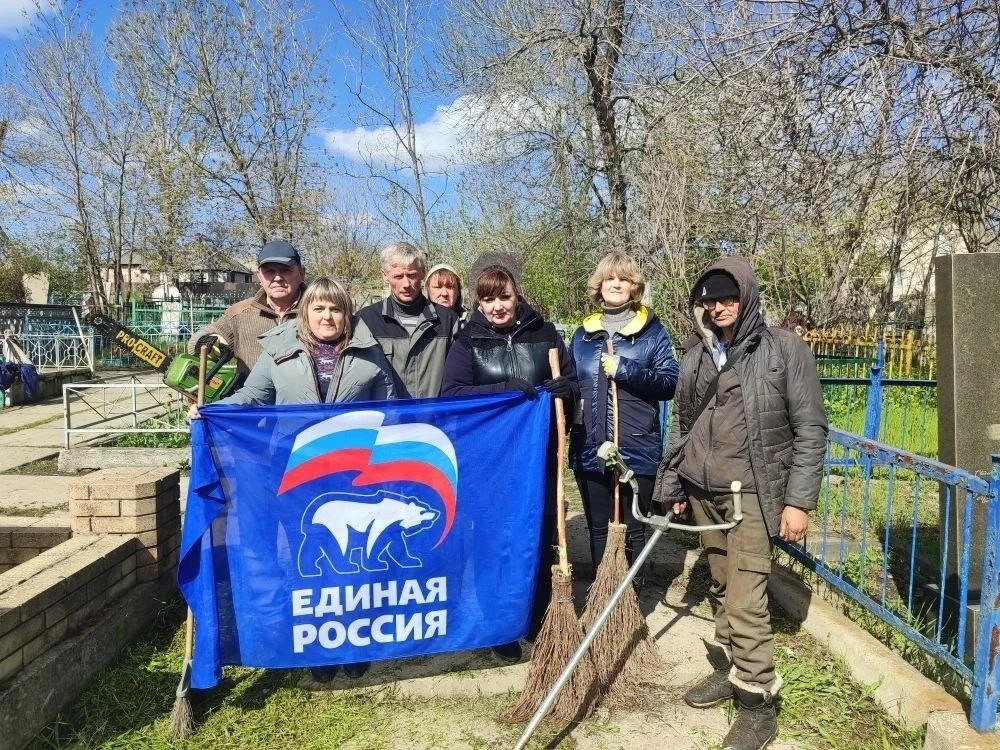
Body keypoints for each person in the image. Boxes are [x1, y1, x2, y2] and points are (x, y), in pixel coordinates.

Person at [652, 257, 827, 750]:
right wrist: (675, 485)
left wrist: (798, 502)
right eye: (710, 299)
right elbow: (682, 424)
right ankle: (728, 667)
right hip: (702, 490)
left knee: (747, 600)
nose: (719, 306)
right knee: (721, 583)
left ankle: (757, 701)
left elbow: (811, 429)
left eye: (728, 296)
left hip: (750, 493)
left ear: (746, 296)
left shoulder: (783, 349)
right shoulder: (698, 353)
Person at [189, 276, 396, 683]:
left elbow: (392, 411)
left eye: (335, 309)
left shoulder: (370, 355)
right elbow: (252, 397)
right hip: (293, 473)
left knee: (349, 560)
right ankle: (320, 643)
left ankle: (354, 640)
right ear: (305, 313)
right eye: (319, 308)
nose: (327, 316)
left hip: (351, 475)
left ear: (347, 315)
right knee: (311, 556)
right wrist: (211, 411)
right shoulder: (279, 351)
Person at [441, 263, 578, 664]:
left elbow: (571, 383)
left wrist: (565, 390)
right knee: (494, 541)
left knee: (539, 536)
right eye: (488, 299)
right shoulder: (468, 342)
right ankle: (498, 622)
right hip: (491, 465)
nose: (497, 306)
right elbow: (452, 394)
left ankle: (538, 616)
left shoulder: (545, 334)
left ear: (517, 295)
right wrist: (504, 391)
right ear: (479, 303)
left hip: (539, 458)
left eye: (504, 296)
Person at [569, 252, 678, 591]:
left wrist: (626, 370)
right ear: (599, 286)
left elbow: (670, 382)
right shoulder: (582, 336)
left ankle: (630, 601)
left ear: (634, 287)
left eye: (624, 278)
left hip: (636, 446)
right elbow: (572, 386)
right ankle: (603, 598)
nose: (616, 284)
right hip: (591, 446)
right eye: (609, 278)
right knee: (599, 528)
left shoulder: (652, 333)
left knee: (634, 527)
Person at [187, 239, 307, 380]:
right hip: (251, 394)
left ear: (301, 273)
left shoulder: (319, 311)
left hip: (305, 395)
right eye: (269, 272)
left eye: (285, 270)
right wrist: (208, 342)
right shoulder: (241, 313)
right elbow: (194, 344)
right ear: (259, 277)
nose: (277, 278)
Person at [354, 243, 459, 398]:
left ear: (423, 273)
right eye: (398, 276)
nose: (406, 285)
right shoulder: (366, 320)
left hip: (434, 413)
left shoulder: (447, 321)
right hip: (386, 414)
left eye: (412, 275)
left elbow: (457, 381)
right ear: (385, 275)